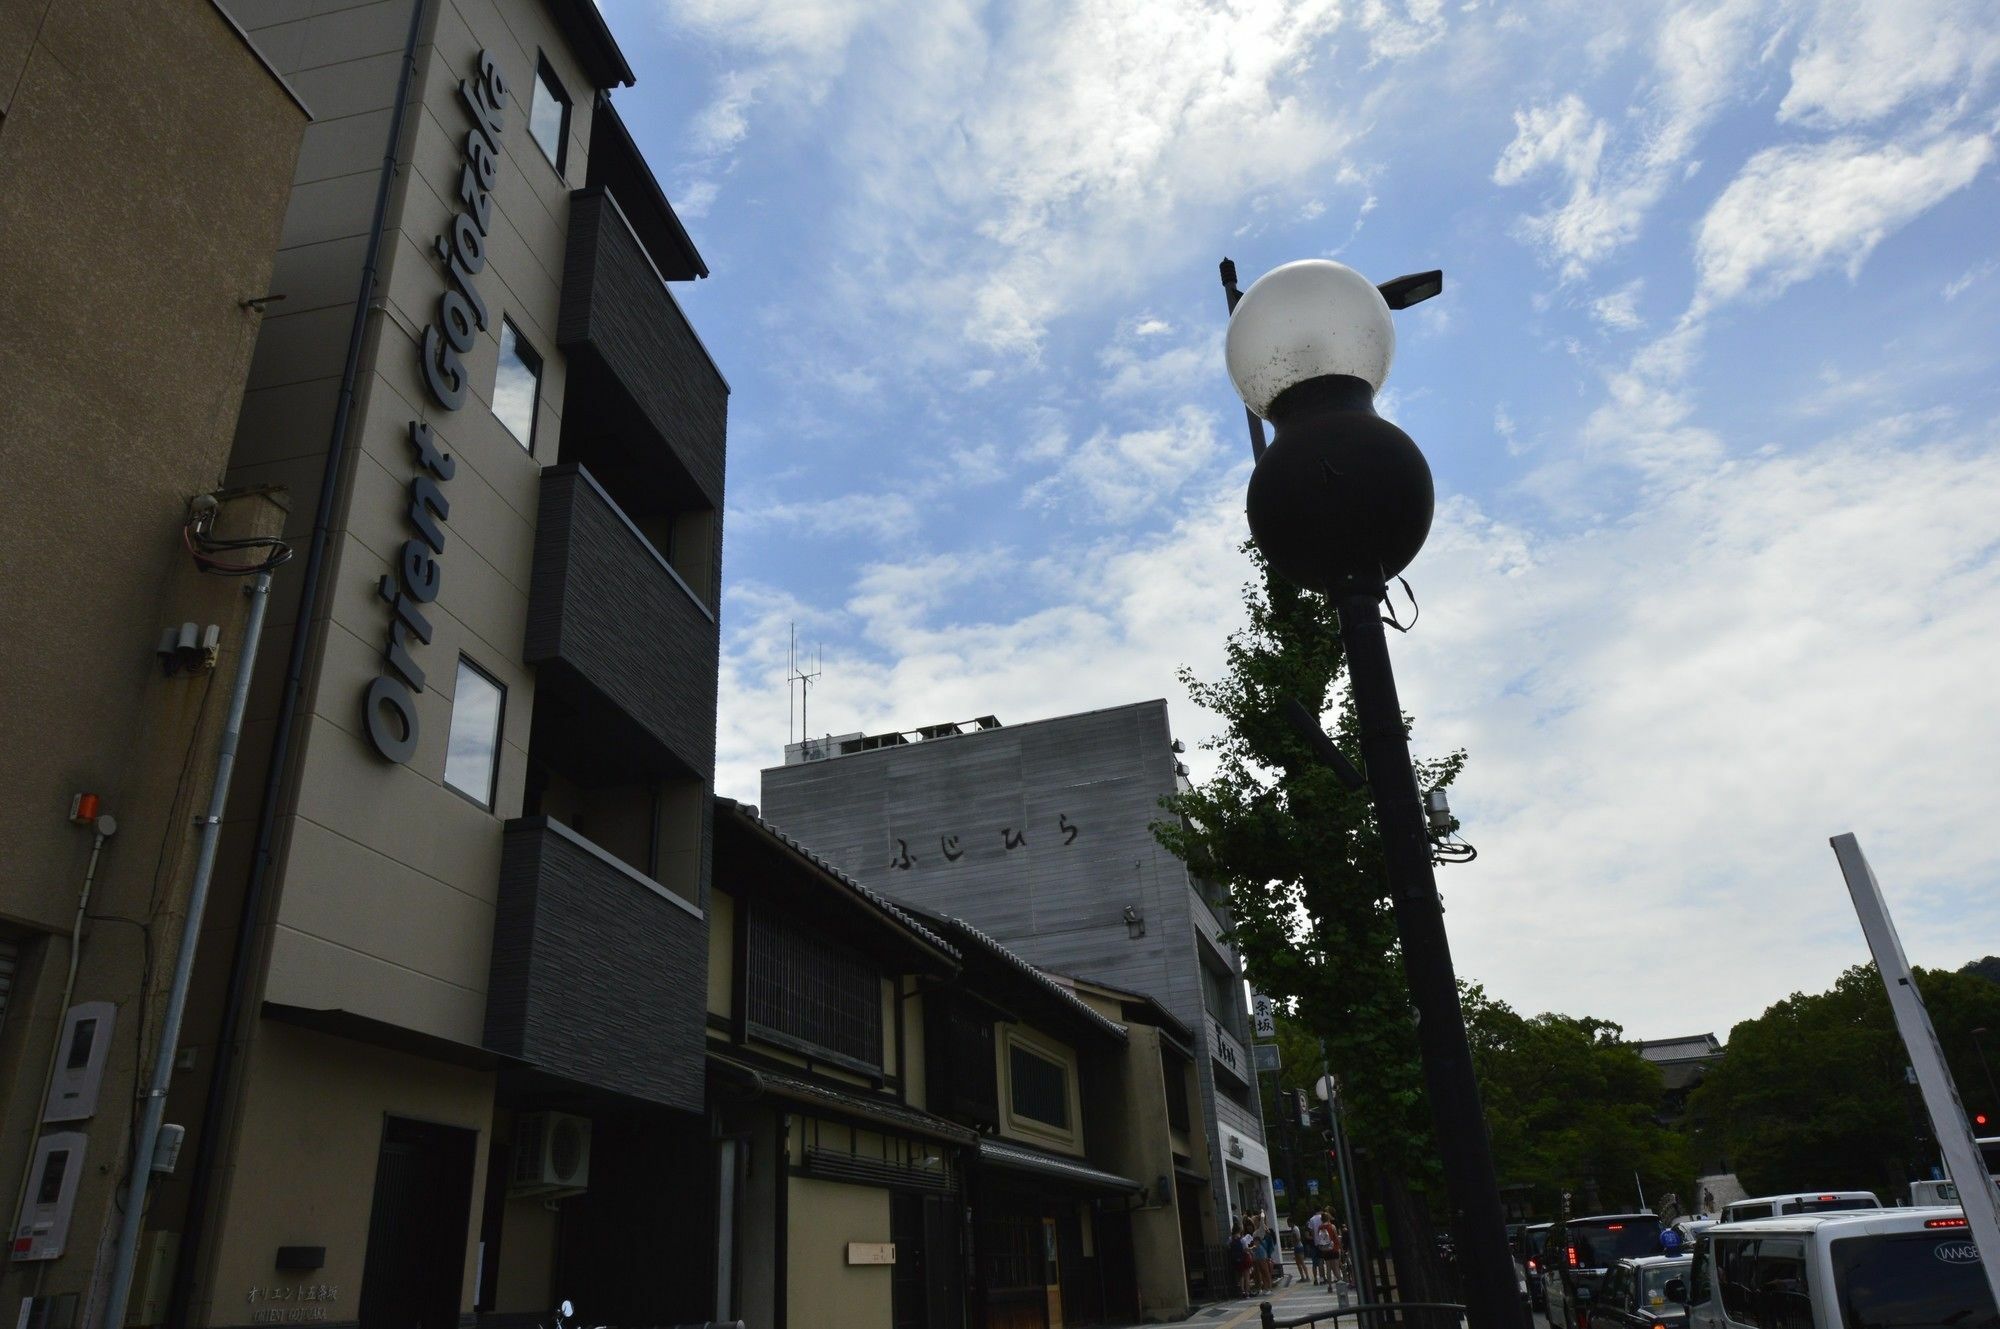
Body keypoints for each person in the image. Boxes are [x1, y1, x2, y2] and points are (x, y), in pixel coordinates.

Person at [1313, 1209, 1337, 1284]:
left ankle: (1329, 1285)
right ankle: (1340, 1282)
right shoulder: (1332, 1226)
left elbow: (1318, 1236)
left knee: (1328, 1267)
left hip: (1324, 1249)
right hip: (1333, 1248)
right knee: (1335, 1267)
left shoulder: (1320, 1227)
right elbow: (1335, 1237)